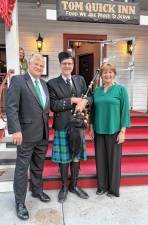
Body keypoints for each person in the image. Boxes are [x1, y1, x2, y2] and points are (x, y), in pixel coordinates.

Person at [6, 54, 50, 220]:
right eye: (36, 64)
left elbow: (44, 107)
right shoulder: (18, 81)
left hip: (42, 133)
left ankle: (37, 191)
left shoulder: (44, 84)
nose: (39, 67)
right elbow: (11, 106)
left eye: (41, 65)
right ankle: (19, 202)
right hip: (24, 134)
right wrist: (15, 129)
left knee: (38, 166)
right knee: (22, 169)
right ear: (29, 65)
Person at [47, 51, 91, 203]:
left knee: (76, 156)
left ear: (73, 65)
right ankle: (65, 186)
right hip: (62, 126)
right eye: (65, 63)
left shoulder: (80, 80)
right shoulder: (52, 83)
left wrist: (85, 102)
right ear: (60, 65)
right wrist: (72, 99)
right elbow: (53, 105)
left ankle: (75, 185)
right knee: (65, 159)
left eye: (70, 63)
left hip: (78, 125)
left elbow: (89, 97)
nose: (67, 66)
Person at [90, 63, 130, 198]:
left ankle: (113, 189)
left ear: (114, 74)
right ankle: (102, 186)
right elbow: (93, 111)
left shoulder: (121, 90)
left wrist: (123, 131)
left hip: (114, 130)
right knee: (100, 160)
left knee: (114, 161)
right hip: (99, 130)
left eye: (110, 72)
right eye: (104, 73)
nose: (107, 75)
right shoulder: (97, 91)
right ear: (101, 75)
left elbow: (125, 111)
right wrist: (91, 126)